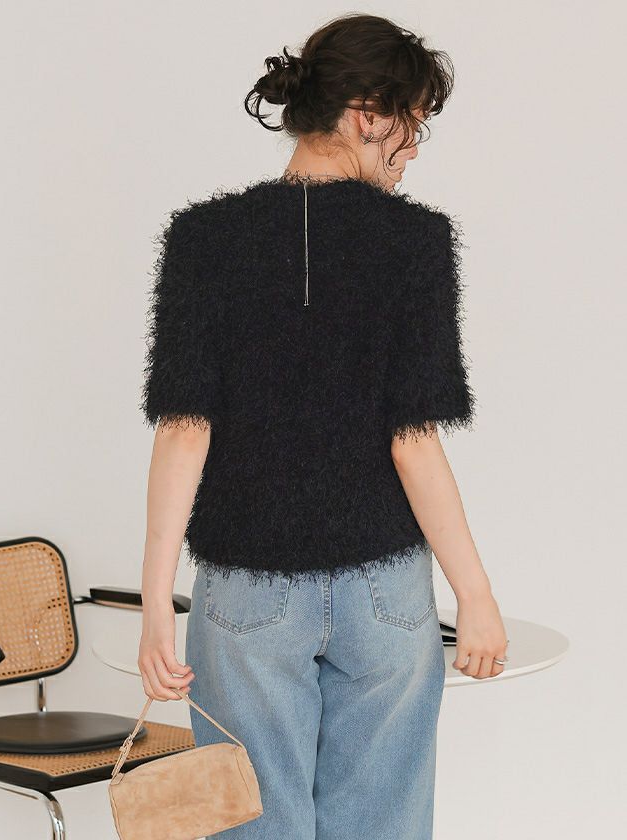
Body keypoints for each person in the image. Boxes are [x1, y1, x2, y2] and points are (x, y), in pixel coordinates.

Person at [137, 12, 508, 840]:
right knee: (383, 824)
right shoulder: (416, 243)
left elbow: (183, 430)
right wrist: (475, 595)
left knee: (252, 822)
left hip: (247, 591)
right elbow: (413, 441)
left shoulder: (204, 240)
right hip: (387, 596)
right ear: (366, 113)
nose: (415, 148)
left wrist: (158, 601)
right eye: (413, 122)